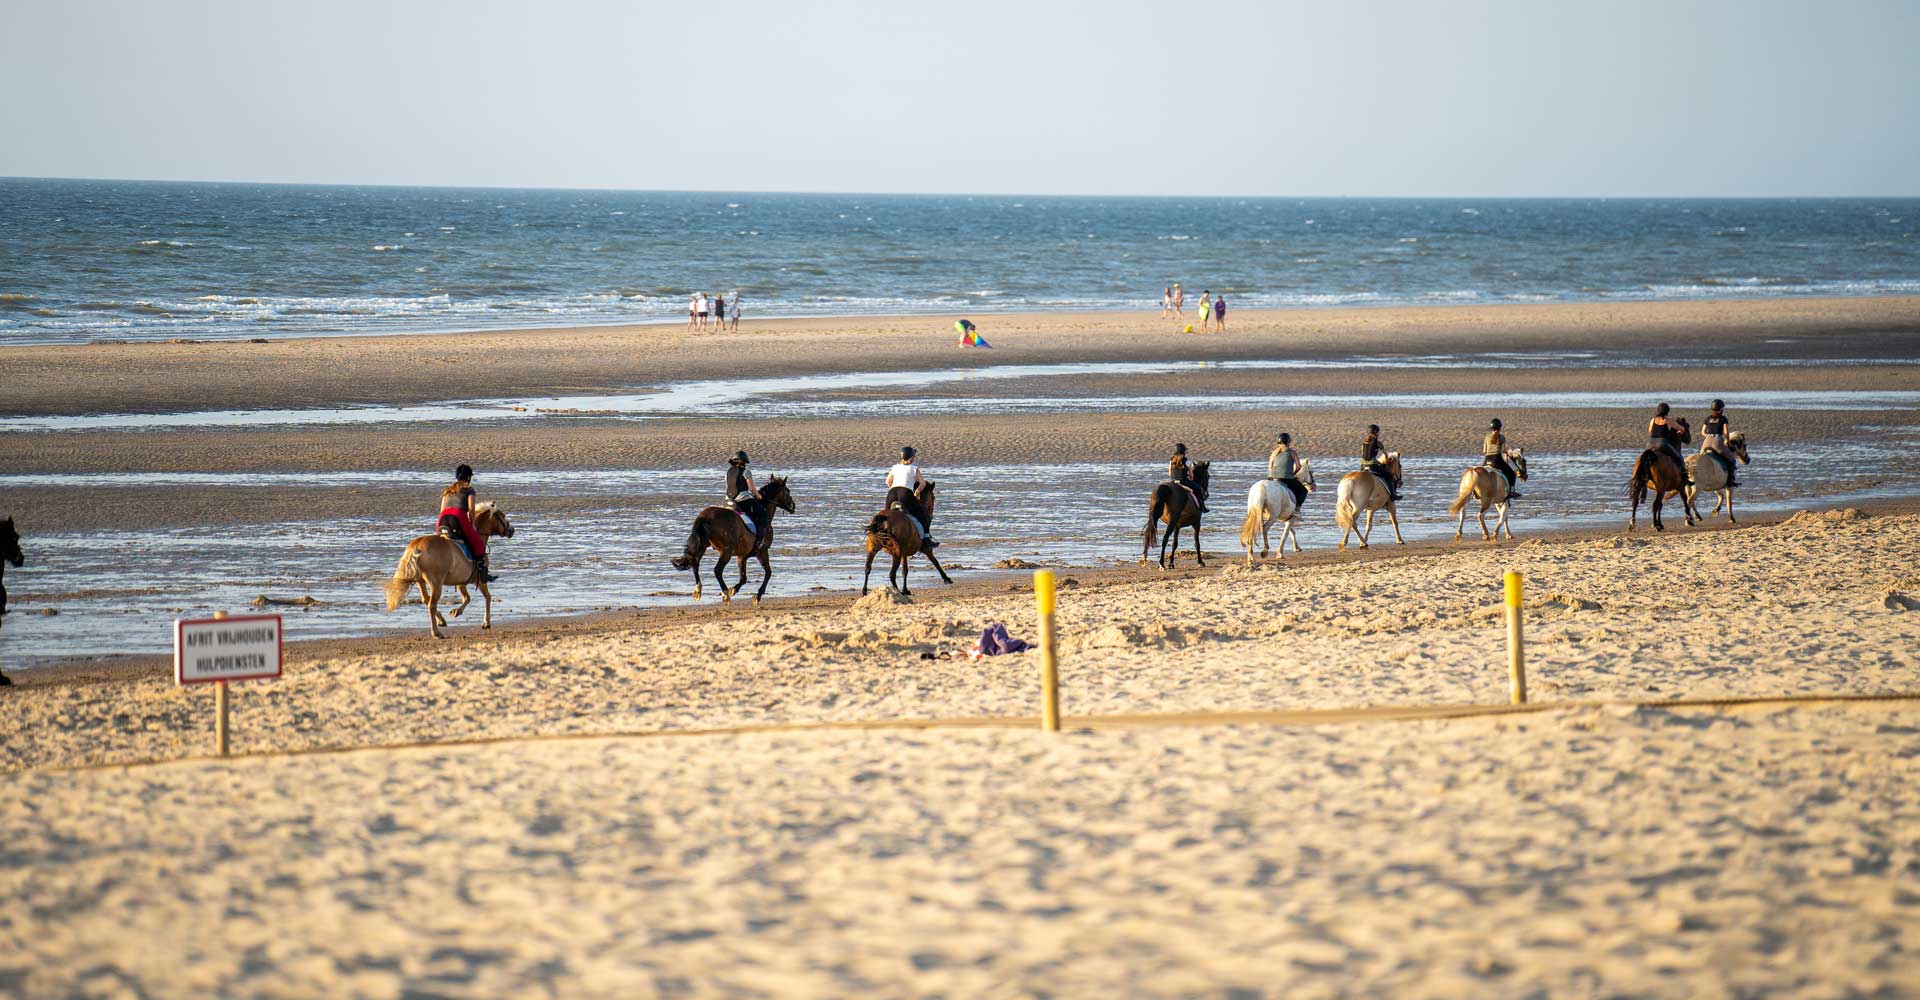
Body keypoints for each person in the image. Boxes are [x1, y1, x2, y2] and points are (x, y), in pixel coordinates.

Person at [437, 464, 498, 582]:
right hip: (458, 517)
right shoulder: (469, 490)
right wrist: (473, 525)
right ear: (469, 477)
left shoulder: (448, 490)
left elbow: (442, 509)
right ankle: (482, 574)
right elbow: (471, 509)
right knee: (479, 544)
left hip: (442, 519)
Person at [885, 446, 939, 547]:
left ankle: (882, 534)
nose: (914, 459)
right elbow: (922, 484)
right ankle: (927, 538)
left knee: (886, 516)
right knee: (922, 515)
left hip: (891, 493)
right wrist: (917, 492)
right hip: (905, 493)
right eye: (913, 457)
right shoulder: (914, 468)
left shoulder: (895, 467)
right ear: (910, 459)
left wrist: (893, 488)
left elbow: (888, 481)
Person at [725, 451, 768, 548]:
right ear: (744, 462)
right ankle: (759, 542)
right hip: (743, 500)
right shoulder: (746, 472)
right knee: (762, 514)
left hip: (729, 501)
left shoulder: (728, 472)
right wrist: (759, 496)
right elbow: (752, 489)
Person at [1700, 399, 1739, 487]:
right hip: (1717, 442)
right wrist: (1728, 442)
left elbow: (1702, 432)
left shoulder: (1708, 418)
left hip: (1706, 441)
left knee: (1700, 458)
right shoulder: (1723, 418)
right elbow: (1726, 433)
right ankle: (1730, 481)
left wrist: (1709, 436)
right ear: (1721, 409)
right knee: (1732, 460)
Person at [1361, 424, 1402, 502]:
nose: (1379, 434)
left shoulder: (1363, 443)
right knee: (1389, 475)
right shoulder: (1378, 443)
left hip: (1362, 467)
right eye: (1378, 432)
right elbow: (1386, 455)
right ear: (1376, 433)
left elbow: (1364, 455)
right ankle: (1393, 495)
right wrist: (1386, 460)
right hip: (1372, 467)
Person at [1483, 418, 1522, 498]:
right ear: (1500, 428)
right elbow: (1503, 450)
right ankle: (1511, 492)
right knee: (1511, 472)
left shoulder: (1487, 437)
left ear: (1491, 428)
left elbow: (1484, 451)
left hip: (1487, 460)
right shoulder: (1502, 437)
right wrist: (1508, 454)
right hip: (1497, 459)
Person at [1267, 433, 1307, 507]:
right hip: (1285, 478)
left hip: (1271, 478)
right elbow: (1298, 467)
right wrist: (1293, 473)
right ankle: (1297, 508)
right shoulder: (1292, 453)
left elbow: (1270, 468)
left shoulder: (1274, 453)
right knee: (1304, 491)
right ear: (1288, 442)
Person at [1168, 443, 1209, 513]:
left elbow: (1169, 473)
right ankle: (1203, 507)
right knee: (1198, 489)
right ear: (1183, 451)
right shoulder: (1187, 461)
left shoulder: (1171, 461)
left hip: (1173, 482)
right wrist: (1189, 476)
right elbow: (1191, 476)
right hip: (1183, 482)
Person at [1648, 402, 1687, 473]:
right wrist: (1679, 431)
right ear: (1667, 411)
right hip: (1662, 444)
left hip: (1650, 444)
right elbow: (1682, 429)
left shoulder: (1652, 420)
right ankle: (1684, 476)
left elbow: (1650, 430)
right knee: (1679, 458)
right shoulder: (1668, 421)